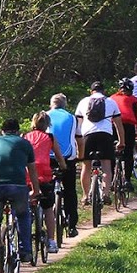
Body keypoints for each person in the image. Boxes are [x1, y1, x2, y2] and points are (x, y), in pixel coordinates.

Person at [0, 119, 37, 262]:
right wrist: (36, 190)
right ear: (18, 131)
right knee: (23, 215)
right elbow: (32, 170)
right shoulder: (25, 144)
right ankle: (25, 251)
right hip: (18, 186)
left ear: (2, 131)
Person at [73, 82, 121, 205]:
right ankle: (106, 194)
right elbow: (118, 125)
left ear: (91, 91)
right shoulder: (111, 102)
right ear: (103, 91)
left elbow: (77, 124)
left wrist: (77, 141)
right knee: (106, 166)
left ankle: (85, 196)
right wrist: (122, 141)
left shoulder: (83, 102)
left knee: (86, 166)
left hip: (88, 136)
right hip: (105, 135)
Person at [23, 112, 68, 242]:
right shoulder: (50, 137)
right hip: (44, 175)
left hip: (27, 175)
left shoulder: (25, 136)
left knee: (26, 206)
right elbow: (59, 156)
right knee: (48, 208)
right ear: (48, 124)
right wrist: (63, 167)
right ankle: (51, 241)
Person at [47, 93, 80, 237]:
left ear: (51, 104)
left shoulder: (44, 116)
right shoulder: (72, 117)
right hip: (67, 157)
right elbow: (78, 137)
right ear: (65, 105)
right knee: (70, 191)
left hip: (47, 158)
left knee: (45, 189)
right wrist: (81, 156)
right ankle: (72, 225)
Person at [112, 80, 137, 187]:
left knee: (111, 152)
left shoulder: (112, 98)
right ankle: (127, 181)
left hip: (113, 125)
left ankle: (110, 179)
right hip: (128, 126)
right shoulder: (134, 100)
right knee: (128, 153)